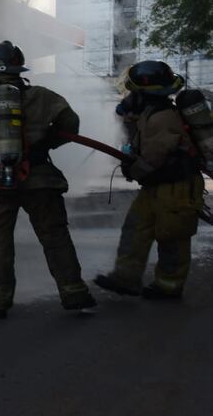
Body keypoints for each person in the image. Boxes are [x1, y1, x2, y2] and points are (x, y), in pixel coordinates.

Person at [0, 40, 96, 318]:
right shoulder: (43, 96)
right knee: (55, 236)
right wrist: (45, 143)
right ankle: (74, 293)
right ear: (19, 69)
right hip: (40, 179)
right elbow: (71, 124)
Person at [94, 60, 203, 299]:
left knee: (172, 236)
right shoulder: (150, 113)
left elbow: (154, 156)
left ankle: (169, 286)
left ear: (144, 93)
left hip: (177, 187)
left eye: (134, 93)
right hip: (157, 186)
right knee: (135, 228)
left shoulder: (162, 117)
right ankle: (126, 277)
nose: (130, 97)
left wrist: (133, 170)